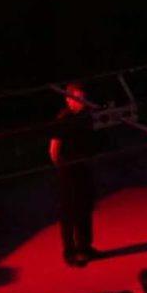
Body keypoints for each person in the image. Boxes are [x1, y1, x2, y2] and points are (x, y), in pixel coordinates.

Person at [49, 84, 99, 268]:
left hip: (83, 168)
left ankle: (85, 246)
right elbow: (54, 150)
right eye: (78, 98)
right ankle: (70, 251)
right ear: (68, 99)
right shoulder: (63, 119)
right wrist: (64, 169)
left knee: (85, 209)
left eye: (83, 98)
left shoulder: (86, 117)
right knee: (69, 213)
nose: (82, 102)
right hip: (68, 172)